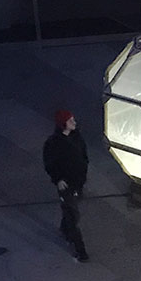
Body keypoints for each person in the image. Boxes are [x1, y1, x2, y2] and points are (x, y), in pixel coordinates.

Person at [43, 110, 89, 262]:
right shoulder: (54, 143)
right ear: (63, 124)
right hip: (66, 185)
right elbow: (49, 163)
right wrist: (58, 179)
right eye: (70, 121)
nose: (74, 123)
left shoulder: (77, 137)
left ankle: (65, 227)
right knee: (73, 214)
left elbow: (83, 156)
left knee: (71, 212)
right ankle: (80, 250)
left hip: (78, 182)